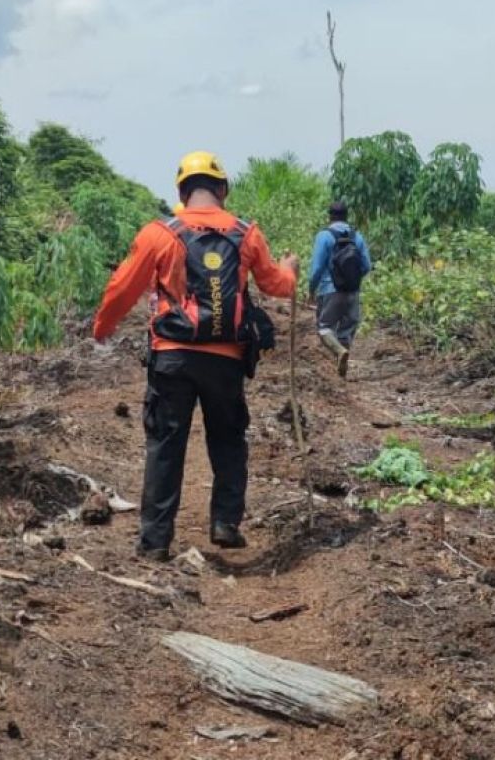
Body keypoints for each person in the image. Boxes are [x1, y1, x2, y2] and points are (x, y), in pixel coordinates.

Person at [93, 150, 298, 561]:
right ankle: (225, 522)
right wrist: (291, 269)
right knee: (228, 439)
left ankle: (154, 543)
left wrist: (102, 328)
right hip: (226, 358)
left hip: (172, 356)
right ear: (222, 189)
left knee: (166, 444)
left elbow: (122, 287)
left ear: (182, 193)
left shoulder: (159, 233)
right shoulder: (247, 233)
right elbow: (277, 285)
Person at [307, 201, 372, 377]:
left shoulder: (324, 236)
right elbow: (366, 265)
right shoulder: (356, 236)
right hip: (353, 291)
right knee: (346, 330)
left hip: (329, 290)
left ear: (330, 216)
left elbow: (317, 267)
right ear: (346, 216)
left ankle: (339, 352)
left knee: (324, 327)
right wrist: (352, 280)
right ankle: (341, 370)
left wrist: (312, 289)